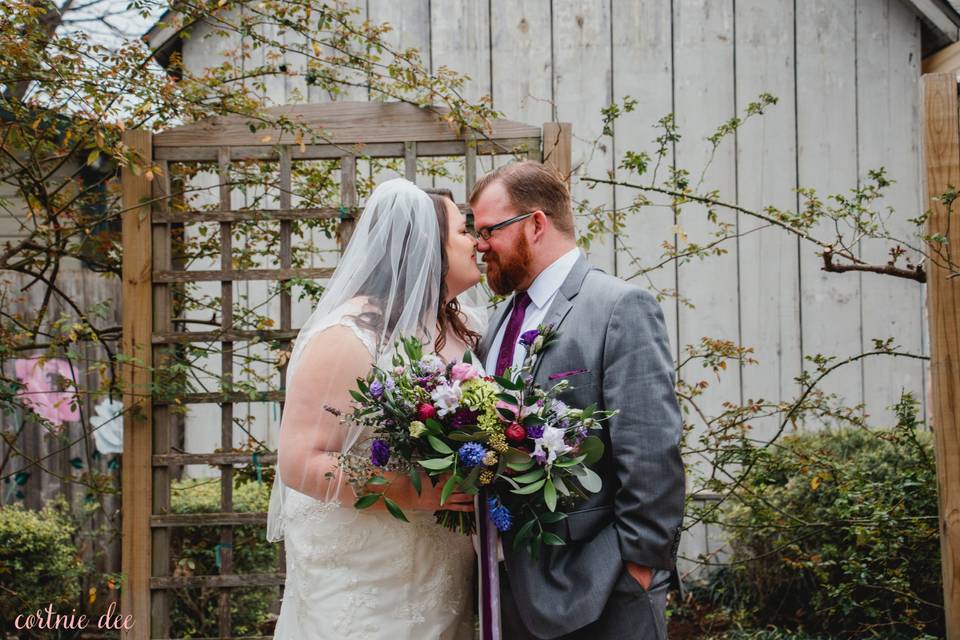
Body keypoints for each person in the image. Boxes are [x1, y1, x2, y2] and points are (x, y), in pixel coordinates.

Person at [471, 160, 685, 640]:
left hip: (601, 588)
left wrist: (638, 568)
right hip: (510, 591)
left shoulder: (618, 307)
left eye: (489, 230)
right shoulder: (499, 318)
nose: (479, 245)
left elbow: (651, 449)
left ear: (536, 224)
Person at [266, 179, 485, 639]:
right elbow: (302, 463)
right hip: (367, 573)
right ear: (429, 246)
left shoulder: (461, 329)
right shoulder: (346, 338)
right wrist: (412, 491)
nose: (477, 243)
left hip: (439, 568)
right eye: (464, 232)